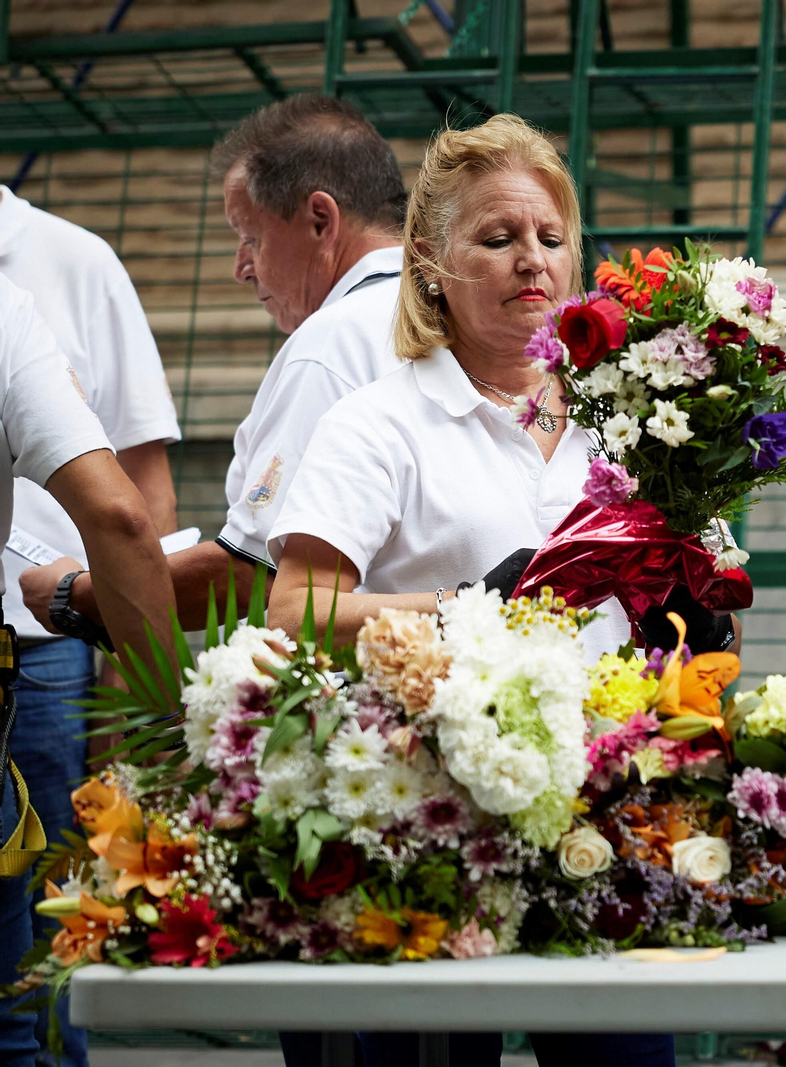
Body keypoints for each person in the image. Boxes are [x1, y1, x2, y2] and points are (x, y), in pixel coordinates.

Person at [267, 114, 678, 1067]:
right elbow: (297, 611)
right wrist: (471, 608)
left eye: (549, 237)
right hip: (441, 831)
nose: (530, 261)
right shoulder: (381, 421)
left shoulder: (634, 425)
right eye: (496, 239)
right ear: (430, 262)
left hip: (608, 821)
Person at [18, 94, 408, 634]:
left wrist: (79, 593)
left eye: (251, 237)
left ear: (321, 220)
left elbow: (256, 577)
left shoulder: (334, 345)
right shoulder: (457, 316)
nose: (239, 268)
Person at [0, 181, 183, 1067]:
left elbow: (143, 486)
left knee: (49, 906)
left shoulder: (73, 263)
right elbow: (122, 516)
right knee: (18, 974)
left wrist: (112, 654)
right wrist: (165, 716)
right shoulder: (8, 313)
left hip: (44, 652)